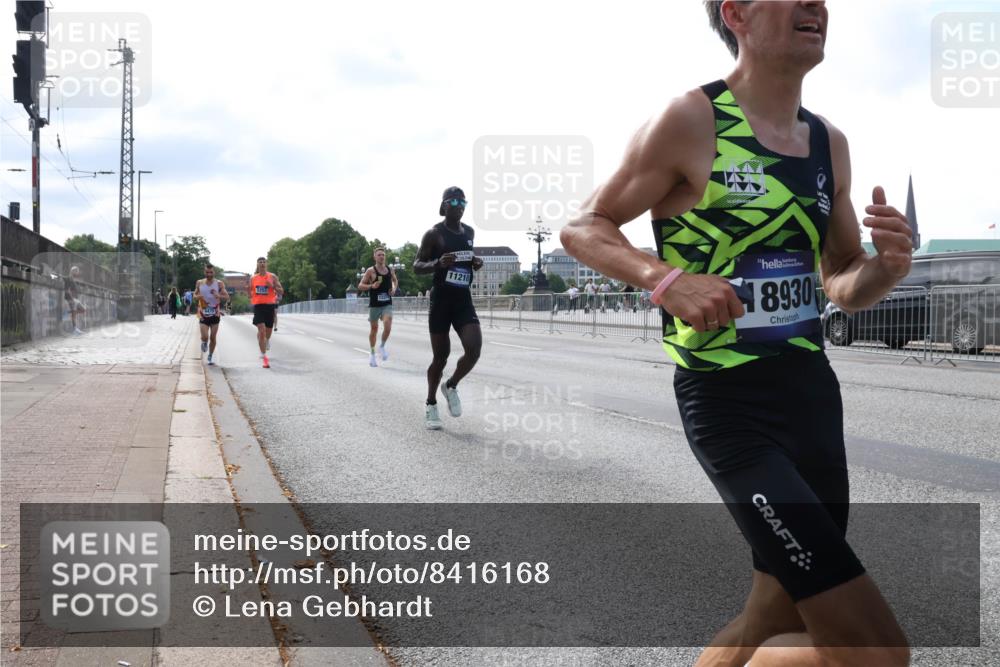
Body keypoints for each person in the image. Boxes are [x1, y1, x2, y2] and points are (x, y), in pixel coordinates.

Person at [560, 2, 912, 666]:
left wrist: (885, 269)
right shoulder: (693, 119)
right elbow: (585, 226)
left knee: (771, 612)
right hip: (730, 404)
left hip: (811, 399)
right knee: (875, 650)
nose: (816, 5)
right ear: (738, 15)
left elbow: (838, 277)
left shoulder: (828, 144)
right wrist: (666, 280)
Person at [413, 186, 484, 430]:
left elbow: (467, 259)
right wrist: (437, 263)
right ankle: (431, 403)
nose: (459, 205)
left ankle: (451, 385)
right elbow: (416, 265)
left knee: (474, 350)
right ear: (444, 206)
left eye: (463, 201)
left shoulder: (470, 232)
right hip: (441, 301)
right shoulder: (434, 234)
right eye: (454, 201)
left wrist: (475, 262)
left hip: (463, 299)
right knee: (440, 357)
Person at [358, 247, 399, 367]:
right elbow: (360, 285)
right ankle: (372, 353)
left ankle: (382, 346)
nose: (382, 256)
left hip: (387, 303)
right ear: (374, 257)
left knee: (388, 324)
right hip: (375, 305)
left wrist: (394, 289)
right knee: (374, 329)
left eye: (383, 255)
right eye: (379, 255)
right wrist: (371, 286)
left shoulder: (390, 270)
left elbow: (395, 281)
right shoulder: (371, 271)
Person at [250, 257, 284, 368]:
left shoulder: (272, 277)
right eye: (260, 262)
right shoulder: (253, 278)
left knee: (267, 333)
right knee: (262, 330)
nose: (262, 263)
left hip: (270, 306)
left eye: (264, 262)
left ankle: (267, 340)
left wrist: (272, 286)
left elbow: (281, 291)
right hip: (258, 307)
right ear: (257, 264)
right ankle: (264, 357)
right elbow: (250, 291)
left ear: (266, 264)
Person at [195, 264, 229, 366]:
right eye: (207, 272)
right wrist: (197, 296)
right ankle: (204, 342)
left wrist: (219, 295)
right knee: (205, 336)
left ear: (214, 272)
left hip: (215, 313)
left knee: (213, 337)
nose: (209, 274)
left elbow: (227, 296)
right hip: (203, 313)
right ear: (204, 272)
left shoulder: (219, 284)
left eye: (211, 272)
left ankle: (210, 356)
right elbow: (194, 294)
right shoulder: (199, 283)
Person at [63, 266, 86, 335]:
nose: (77, 273)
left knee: (83, 310)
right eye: (77, 271)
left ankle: (70, 312)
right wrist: (72, 299)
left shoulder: (72, 279)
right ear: (73, 271)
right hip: (71, 298)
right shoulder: (68, 278)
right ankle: (75, 329)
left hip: (75, 299)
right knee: (74, 314)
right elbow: (67, 290)